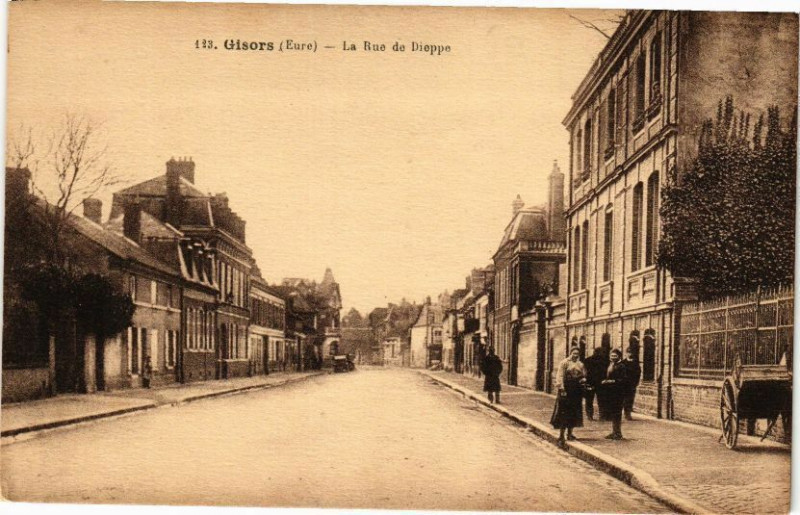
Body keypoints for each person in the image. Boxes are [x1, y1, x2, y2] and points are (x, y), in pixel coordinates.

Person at [551, 346, 587, 445]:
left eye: (577, 353)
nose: (575, 355)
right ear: (570, 353)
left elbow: (584, 375)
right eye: (574, 353)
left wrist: (583, 380)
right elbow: (560, 376)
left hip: (576, 391)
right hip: (566, 390)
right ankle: (561, 435)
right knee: (564, 412)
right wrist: (562, 388)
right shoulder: (564, 363)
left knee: (574, 412)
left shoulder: (580, 364)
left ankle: (570, 433)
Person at [601, 348, 628, 440]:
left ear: (619, 356)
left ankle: (618, 433)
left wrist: (610, 381)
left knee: (617, 413)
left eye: (615, 356)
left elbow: (623, 380)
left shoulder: (622, 366)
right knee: (613, 413)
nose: (613, 357)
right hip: (611, 392)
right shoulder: (611, 364)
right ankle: (614, 432)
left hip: (618, 393)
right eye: (612, 355)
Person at [583, 347, 607, 420]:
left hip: (591, 383)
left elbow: (585, 372)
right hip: (600, 383)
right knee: (601, 400)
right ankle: (601, 416)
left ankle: (590, 416)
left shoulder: (587, 360)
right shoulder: (605, 361)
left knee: (589, 400)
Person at [623, 347, 641, 421]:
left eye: (631, 352)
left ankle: (628, 413)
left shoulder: (636, 363)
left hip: (632, 384)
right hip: (624, 384)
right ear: (626, 353)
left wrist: (636, 382)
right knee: (624, 399)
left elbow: (638, 373)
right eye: (628, 352)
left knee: (630, 398)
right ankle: (626, 413)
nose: (629, 354)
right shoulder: (623, 363)